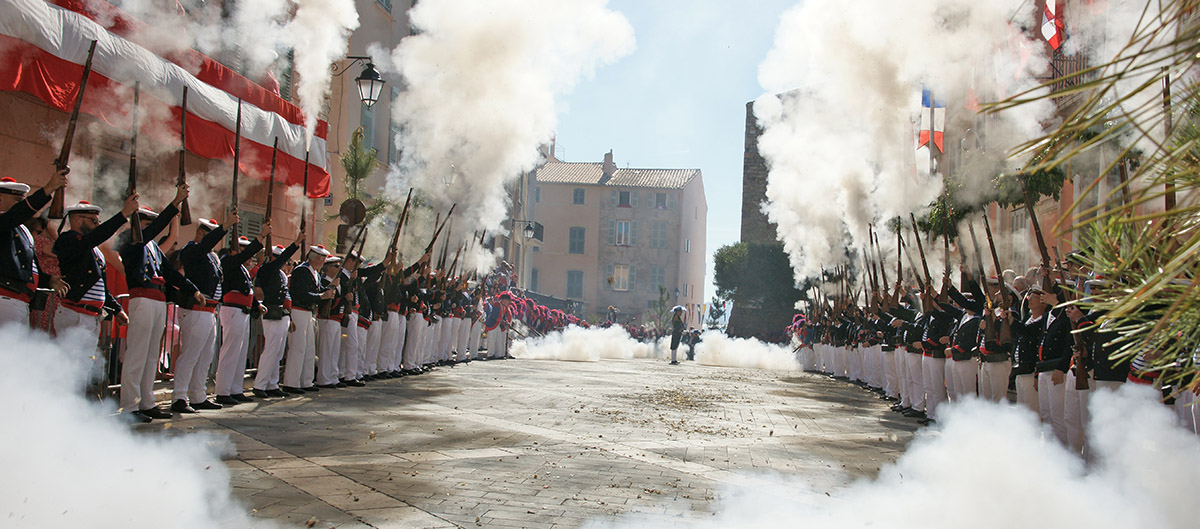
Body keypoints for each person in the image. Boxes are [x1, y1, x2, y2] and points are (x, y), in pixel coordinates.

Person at [118, 184, 200, 422]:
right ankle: (129, 406)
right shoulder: (131, 239)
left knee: (152, 354)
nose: (149, 226)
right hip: (142, 298)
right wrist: (174, 204)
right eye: (145, 222)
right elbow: (150, 232)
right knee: (137, 354)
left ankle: (146, 402)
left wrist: (191, 289)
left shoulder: (152, 247)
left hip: (157, 299)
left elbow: (169, 273)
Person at [52, 198, 137, 342]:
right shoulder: (68, 240)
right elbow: (94, 238)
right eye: (93, 220)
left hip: (91, 316)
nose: (98, 224)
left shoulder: (93, 249)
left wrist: (117, 310)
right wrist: (123, 215)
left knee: (86, 363)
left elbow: (100, 285)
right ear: (78, 220)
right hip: (75, 314)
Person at [172, 217, 230, 414]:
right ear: (200, 234)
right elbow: (203, 247)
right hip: (196, 309)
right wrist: (224, 226)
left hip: (210, 310)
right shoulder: (191, 250)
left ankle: (198, 395)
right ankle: (179, 396)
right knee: (190, 355)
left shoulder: (212, 256)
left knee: (205, 356)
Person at [0, 171, 68, 325]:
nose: (22, 205)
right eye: (18, 200)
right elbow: (17, 214)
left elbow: (28, 267)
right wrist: (49, 188)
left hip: (19, 300)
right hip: (5, 298)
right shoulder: (7, 221)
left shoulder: (22, 229)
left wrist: (49, 280)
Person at [214, 230, 268, 405]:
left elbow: (248, 292)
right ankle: (222, 390)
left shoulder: (243, 270)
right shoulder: (229, 262)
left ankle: (235, 388)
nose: (249, 257)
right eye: (246, 252)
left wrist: (256, 305)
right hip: (232, 310)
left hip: (242, 311)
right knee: (230, 351)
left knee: (240, 352)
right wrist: (259, 238)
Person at [281, 245, 335, 393]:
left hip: (308, 312)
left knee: (309, 349)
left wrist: (327, 290)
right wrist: (321, 296)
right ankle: (291, 382)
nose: (324, 261)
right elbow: (302, 293)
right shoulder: (302, 271)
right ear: (317, 258)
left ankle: (306, 381)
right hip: (299, 311)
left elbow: (315, 292)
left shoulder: (314, 273)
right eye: (323, 258)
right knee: (298, 348)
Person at [251, 237, 301, 398]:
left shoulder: (282, 275)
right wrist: (296, 243)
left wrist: (290, 317)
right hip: (271, 312)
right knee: (271, 349)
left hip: (282, 314)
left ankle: (272, 383)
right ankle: (260, 384)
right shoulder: (266, 269)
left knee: (278, 352)